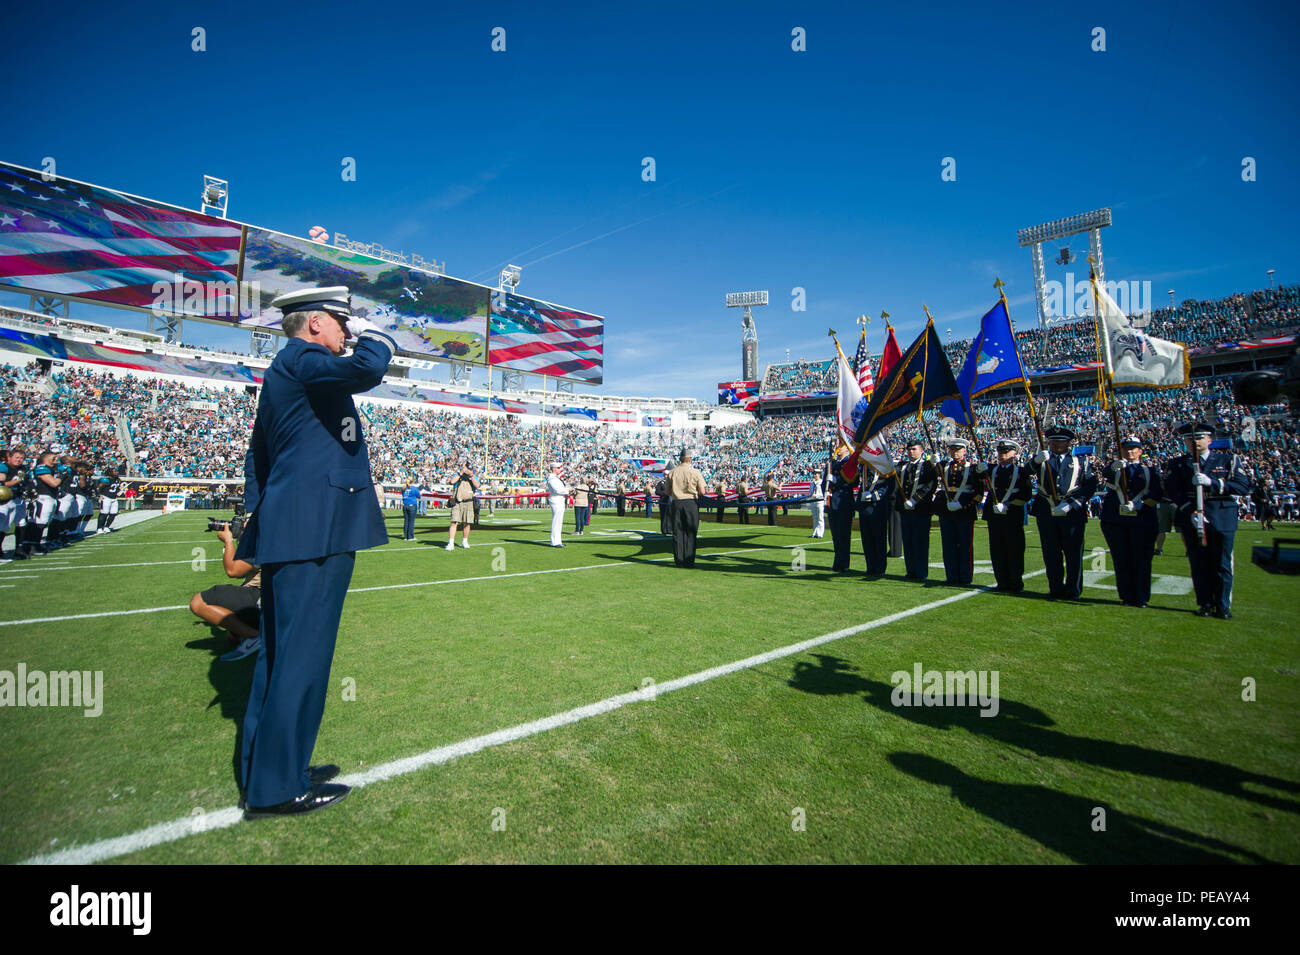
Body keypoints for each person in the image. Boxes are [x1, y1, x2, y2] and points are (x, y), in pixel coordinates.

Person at [234, 285, 396, 819]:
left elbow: (261, 458)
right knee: (303, 658)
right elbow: (366, 370)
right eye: (341, 323)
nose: (347, 334)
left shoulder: (289, 368)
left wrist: (258, 524)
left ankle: (274, 766)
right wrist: (379, 334)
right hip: (314, 530)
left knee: (280, 658)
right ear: (314, 324)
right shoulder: (304, 358)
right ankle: (278, 788)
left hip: (295, 528)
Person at [1163, 421, 1249, 619]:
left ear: (1210, 439)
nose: (1194, 442)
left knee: (1222, 564)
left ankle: (1223, 605)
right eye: (1189, 439)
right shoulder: (1178, 463)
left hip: (1220, 516)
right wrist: (1190, 511)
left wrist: (1214, 483)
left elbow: (1243, 486)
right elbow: (1172, 490)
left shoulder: (1227, 460)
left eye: (1199, 437)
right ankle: (1205, 603)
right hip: (1192, 517)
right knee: (1198, 564)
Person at [1030, 426, 1098, 600]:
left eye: (1061, 441)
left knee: (1074, 553)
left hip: (1072, 513)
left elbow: (1089, 485)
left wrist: (1072, 504)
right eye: (1053, 441)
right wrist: (1036, 461)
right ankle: (1055, 588)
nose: (1057, 444)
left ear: (1069, 443)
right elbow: (1026, 472)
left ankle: (1073, 590)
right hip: (1047, 511)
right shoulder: (1042, 459)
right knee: (1051, 553)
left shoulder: (1081, 461)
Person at [1099, 436, 1163, 608]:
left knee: (1142, 559)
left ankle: (1141, 596)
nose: (1130, 452)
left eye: (1134, 448)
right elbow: (1104, 475)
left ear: (1140, 451)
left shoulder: (1150, 470)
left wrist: (1138, 505)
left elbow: (1157, 493)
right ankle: (1126, 595)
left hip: (1142, 520)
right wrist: (1113, 467)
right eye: (1126, 448)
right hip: (1116, 520)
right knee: (1121, 559)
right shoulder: (1115, 469)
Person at [189, 524, 263, 661]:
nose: (244, 525)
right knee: (232, 636)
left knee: (198, 602)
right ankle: (257, 632)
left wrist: (228, 541)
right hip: (271, 597)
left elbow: (233, 570)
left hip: (261, 597)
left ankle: (257, 637)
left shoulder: (264, 538)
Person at [982, 439, 1033, 593]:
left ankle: (1016, 583)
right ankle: (1001, 582)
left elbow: (1026, 494)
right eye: (1000, 452)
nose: (1002, 455)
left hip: (1012, 516)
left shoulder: (1021, 472)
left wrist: (1008, 504)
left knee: (1014, 550)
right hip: (994, 516)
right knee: (997, 550)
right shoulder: (991, 470)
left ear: (1014, 454)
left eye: (1006, 452)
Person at [934, 438, 981, 586]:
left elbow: (979, 493)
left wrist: (962, 505)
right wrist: (932, 462)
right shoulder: (943, 466)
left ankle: (965, 577)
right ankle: (951, 576)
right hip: (947, 511)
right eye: (952, 449)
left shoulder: (972, 468)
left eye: (958, 449)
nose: (955, 452)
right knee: (948, 546)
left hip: (964, 512)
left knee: (965, 546)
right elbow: (931, 473)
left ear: (965, 451)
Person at [896, 440, 938, 581]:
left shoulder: (927, 466)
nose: (911, 451)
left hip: (921, 509)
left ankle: (921, 572)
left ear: (921, 451)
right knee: (908, 542)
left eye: (914, 449)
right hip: (905, 510)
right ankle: (910, 571)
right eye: (909, 449)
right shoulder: (903, 466)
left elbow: (930, 485)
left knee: (920, 542)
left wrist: (915, 500)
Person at [856, 460, 895, 577]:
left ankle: (880, 568)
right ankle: (870, 567)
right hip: (864, 506)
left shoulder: (884, 465)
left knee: (879, 539)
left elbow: (888, 485)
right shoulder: (863, 465)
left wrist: (873, 496)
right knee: (867, 539)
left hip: (877, 507)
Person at [667, 448, 706, 567]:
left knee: (677, 532)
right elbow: (702, 491)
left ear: (680, 458)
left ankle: (679, 561)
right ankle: (689, 561)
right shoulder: (695, 472)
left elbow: (667, 491)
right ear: (690, 459)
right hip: (691, 503)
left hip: (677, 502)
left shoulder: (672, 472)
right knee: (691, 532)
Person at [828, 444, 859, 572]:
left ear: (847, 448)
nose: (838, 448)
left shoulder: (850, 462)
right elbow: (826, 482)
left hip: (844, 503)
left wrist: (835, 479)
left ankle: (844, 564)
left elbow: (854, 481)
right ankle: (837, 562)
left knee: (844, 536)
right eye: (837, 446)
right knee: (835, 536)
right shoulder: (832, 463)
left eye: (841, 446)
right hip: (832, 503)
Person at [0, 447, 27, 559]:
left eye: (21, 458)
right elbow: (3, 482)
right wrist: (18, 480)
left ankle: (19, 549)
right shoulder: (4, 467)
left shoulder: (22, 468)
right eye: (16, 457)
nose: (19, 460)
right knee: (3, 526)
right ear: (9, 457)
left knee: (21, 523)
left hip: (18, 498)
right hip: (5, 499)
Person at [446, 462, 478, 550]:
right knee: (454, 522)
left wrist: (471, 476)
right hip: (457, 501)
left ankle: (465, 541)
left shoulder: (472, 476)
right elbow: (452, 482)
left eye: (465, 467)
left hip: (468, 502)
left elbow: (477, 485)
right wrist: (460, 473)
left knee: (467, 523)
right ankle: (451, 542)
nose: (464, 469)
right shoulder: (458, 475)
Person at [546, 463, 569, 547]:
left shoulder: (556, 478)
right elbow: (557, 490)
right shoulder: (552, 479)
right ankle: (555, 542)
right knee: (556, 521)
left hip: (560, 500)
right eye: (558, 468)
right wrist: (568, 490)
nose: (560, 469)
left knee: (559, 522)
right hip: (556, 500)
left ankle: (558, 541)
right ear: (553, 468)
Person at [95, 466, 123, 534]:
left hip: (114, 498)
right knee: (104, 513)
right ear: (110, 472)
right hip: (106, 497)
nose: (116, 472)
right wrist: (99, 495)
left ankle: (106, 527)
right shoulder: (105, 479)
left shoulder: (117, 479)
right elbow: (99, 488)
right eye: (114, 471)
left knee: (113, 513)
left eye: (116, 471)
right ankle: (99, 528)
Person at [810, 459, 828, 539]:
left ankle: (820, 533)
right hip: (813, 501)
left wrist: (815, 495)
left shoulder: (821, 482)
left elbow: (822, 494)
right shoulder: (812, 483)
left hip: (819, 501)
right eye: (814, 474)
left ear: (819, 474)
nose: (815, 475)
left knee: (820, 518)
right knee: (815, 518)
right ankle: (815, 532)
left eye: (816, 474)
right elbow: (810, 492)